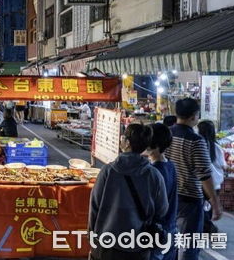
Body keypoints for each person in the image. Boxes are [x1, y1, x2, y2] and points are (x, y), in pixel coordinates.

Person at [89, 123, 168, 260]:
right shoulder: (154, 175)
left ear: (127, 142)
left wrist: (92, 238)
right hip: (139, 246)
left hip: (107, 245)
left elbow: (94, 207)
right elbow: (162, 210)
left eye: (123, 137)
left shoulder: (108, 171)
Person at [165, 98, 222, 260]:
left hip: (168, 195)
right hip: (190, 198)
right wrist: (214, 201)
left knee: (170, 239)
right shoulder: (196, 141)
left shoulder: (166, 134)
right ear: (193, 116)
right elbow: (204, 174)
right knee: (189, 244)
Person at [147, 123, 178, 260]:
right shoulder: (170, 165)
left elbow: (153, 206)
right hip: (170, 227)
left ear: (155, 145)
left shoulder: (154, 172)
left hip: (158, 232)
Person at [197, 120, 227, 233]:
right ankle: (207, 225)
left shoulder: (199, 145)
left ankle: (206, 226)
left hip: (202, 182)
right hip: (215, 183)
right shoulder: (217, 147)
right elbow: (222, 165)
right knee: (209, 205)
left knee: (200, 205)